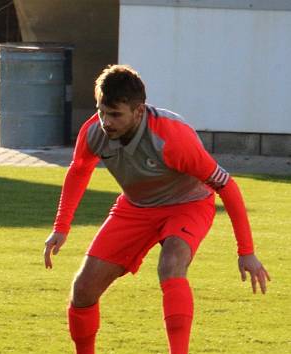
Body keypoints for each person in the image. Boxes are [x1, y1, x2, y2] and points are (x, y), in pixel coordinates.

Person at [43, 64, 270, 354]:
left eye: (115, 114)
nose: (105, 122)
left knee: (171, 265)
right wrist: (61, 228)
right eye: (101, 111)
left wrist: (246, 251)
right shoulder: (93, 132)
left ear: (138, 112)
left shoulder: (173, 138)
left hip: (187, 204)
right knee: (83, 290)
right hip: (135, 207)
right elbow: (79, 170)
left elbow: (227, 186)